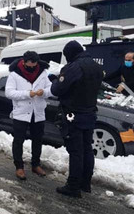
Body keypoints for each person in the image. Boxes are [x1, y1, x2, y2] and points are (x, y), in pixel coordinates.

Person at [51, 41, 103, 198]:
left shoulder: (73, 67)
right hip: (89, 113)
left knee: (76, 151)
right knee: (87, 149)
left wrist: (55, 80)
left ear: (70, 54)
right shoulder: (95, 66)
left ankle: (73, 186)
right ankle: (85, 183)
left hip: (74, 114)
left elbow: (57, 89)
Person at [5, 51, 52, 180]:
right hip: (21, 113)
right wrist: (27, 94)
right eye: (29, 64)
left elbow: (50, 88)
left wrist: (44, 92)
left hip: (38, 112)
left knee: (38, 139)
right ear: (24, 62)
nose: (32, 67)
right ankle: (19, 166)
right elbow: (9, 93)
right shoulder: (15, 74)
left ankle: (35, 164)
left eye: (34, 64)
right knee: (18, 140)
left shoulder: (42, 73)